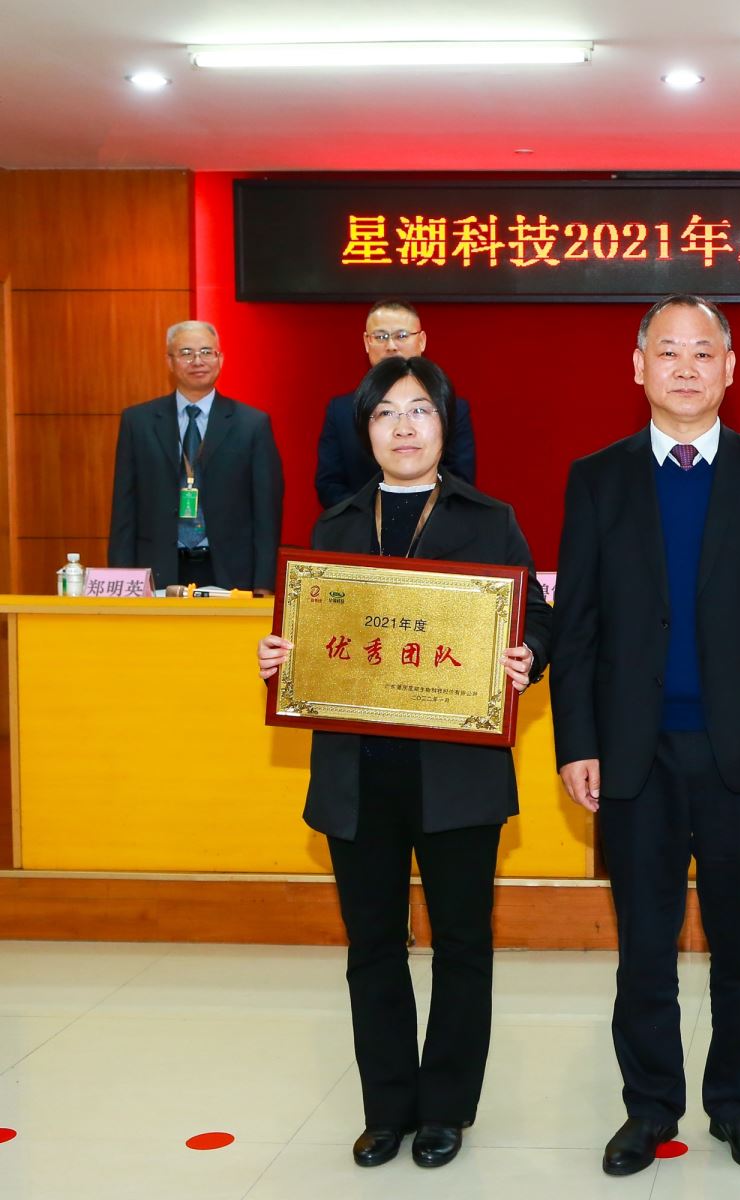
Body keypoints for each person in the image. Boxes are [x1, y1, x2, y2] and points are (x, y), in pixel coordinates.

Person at [551, 294, 740, 1177]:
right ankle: (649, 1108)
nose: (684, 367)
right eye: (666, 351)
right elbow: (578, 625)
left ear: (730, 369)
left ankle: (738, 1105)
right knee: (645, 949)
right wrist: (576, 741)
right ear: (638, 366)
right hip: (634, 755)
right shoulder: (596, 478)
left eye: (702, 352)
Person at [256, 355, 551, 1170]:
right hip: (359, 776)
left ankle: (446, 1108)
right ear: (367, 431)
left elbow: (540, 615)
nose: (404, 427)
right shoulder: (334, 526)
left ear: (444, 426)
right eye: (386, 413)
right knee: (373, 947)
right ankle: (387, 1108)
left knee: (462, 944)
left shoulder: (490, 518)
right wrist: (282, 656)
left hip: (458, 774)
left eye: (420, 410)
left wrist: (527, 653)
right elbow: (311, 632)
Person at [108, 320, 283, 590]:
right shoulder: (138, 422)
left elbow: (266, 513)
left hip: (230, 571)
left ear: (220, 359)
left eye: (206, 352)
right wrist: (120, 580)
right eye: (186, 353)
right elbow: (124, 508)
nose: (197, 361)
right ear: (170, 361)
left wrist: (264, 582)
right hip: (157, 568)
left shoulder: (252, 424)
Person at [317, 300, 477, 507]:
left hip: (435, 524)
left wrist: (419, 518)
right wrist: (372, 517)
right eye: (381, 337)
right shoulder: (341, 411)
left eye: (401, 336)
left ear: (421, 341)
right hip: (360, 524)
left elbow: (460, 481)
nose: (391, 346)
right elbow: (329, 484)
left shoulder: (452, 407)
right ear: (367, 342)